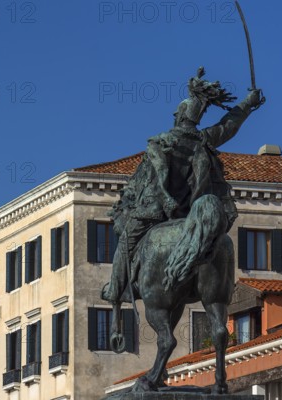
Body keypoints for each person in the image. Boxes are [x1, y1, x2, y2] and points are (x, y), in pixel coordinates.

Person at [102, 67, 263, 305]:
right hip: (192, 213)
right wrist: (248, 103)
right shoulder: (204, 140)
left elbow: (145, 184)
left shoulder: (160, 143)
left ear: (178, 116)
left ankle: (115, 290)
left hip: (156, 213)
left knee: (125, 243)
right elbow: (229, 124)